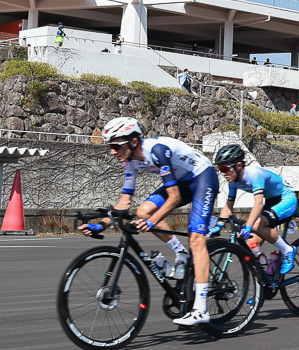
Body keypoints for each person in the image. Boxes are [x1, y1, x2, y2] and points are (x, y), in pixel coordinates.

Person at [78, 117, 218, 326]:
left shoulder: (157, 151)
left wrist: (153, 223)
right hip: (181, 182)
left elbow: (175, 198)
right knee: (143, 212)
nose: (112, 151)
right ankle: (180, 253)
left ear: (133, 142)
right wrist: (102, 224)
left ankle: (201, 309)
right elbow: (125, 203)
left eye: (116, 145)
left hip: (201, 177)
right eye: (110, 146)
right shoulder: (130, 161)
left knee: (196, 239)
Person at [212, 144, 297, 273]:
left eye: (225, 168)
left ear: (239, 165)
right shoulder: (233, 182)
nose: (223, 173)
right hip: (271, 201)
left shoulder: (254, 174)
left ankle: (287, 250)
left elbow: (258, 203)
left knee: (256, 225)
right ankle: (270, 268)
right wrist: (219, 224)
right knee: (249, 242)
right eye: (220, 169)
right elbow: (229, 204)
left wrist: (248, 226)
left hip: (286, 198)